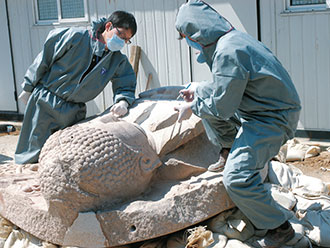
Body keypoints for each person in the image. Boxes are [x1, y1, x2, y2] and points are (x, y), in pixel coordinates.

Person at [174, 0, 301, 247]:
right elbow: (228, 86)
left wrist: (194, 105)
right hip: (260, 108)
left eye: (186, 36)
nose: (188, 42)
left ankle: (280, 227)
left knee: (236, 178)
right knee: (202, 99)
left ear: (197, 32)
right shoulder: (231, 40)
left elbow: (222, 107)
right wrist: (199, 91)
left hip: (272, 118)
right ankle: (229, 149)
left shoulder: (228, 51)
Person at [15, 11, 137, 164]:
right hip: (45, 103)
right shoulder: (76, 37)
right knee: (32, 154)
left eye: (126, 40)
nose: (122, 42)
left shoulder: (117, 60)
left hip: (73, 112)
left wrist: (123, 101)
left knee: (63, 158)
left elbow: (125, 82)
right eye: (121, 35)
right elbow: (44, 59)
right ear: (108, 26)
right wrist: (28, 86)